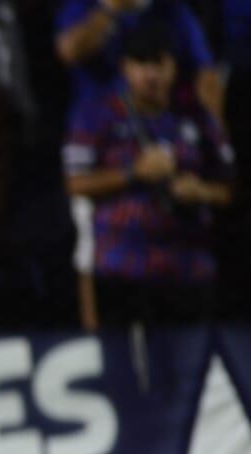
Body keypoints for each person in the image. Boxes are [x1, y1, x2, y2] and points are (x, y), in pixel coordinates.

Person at [63, 23, 235, 326]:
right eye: (142, 64)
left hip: (189, 268)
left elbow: (231, 187)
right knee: (123, 370)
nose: (151, 75)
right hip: (121, 268)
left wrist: (200, 191)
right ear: (125, 68)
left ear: (173, 66)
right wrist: (133, 173)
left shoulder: (196, 115)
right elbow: (73, 184)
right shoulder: (96, 115)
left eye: (159, 64)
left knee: (186, 370)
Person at [55, 0, 223, 120]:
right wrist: (110, 10)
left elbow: (206, 75)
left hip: (164, 122)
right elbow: (70, 52)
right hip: (98, 125)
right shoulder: (82, 5)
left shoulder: (172, 9)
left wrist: (217, 138)